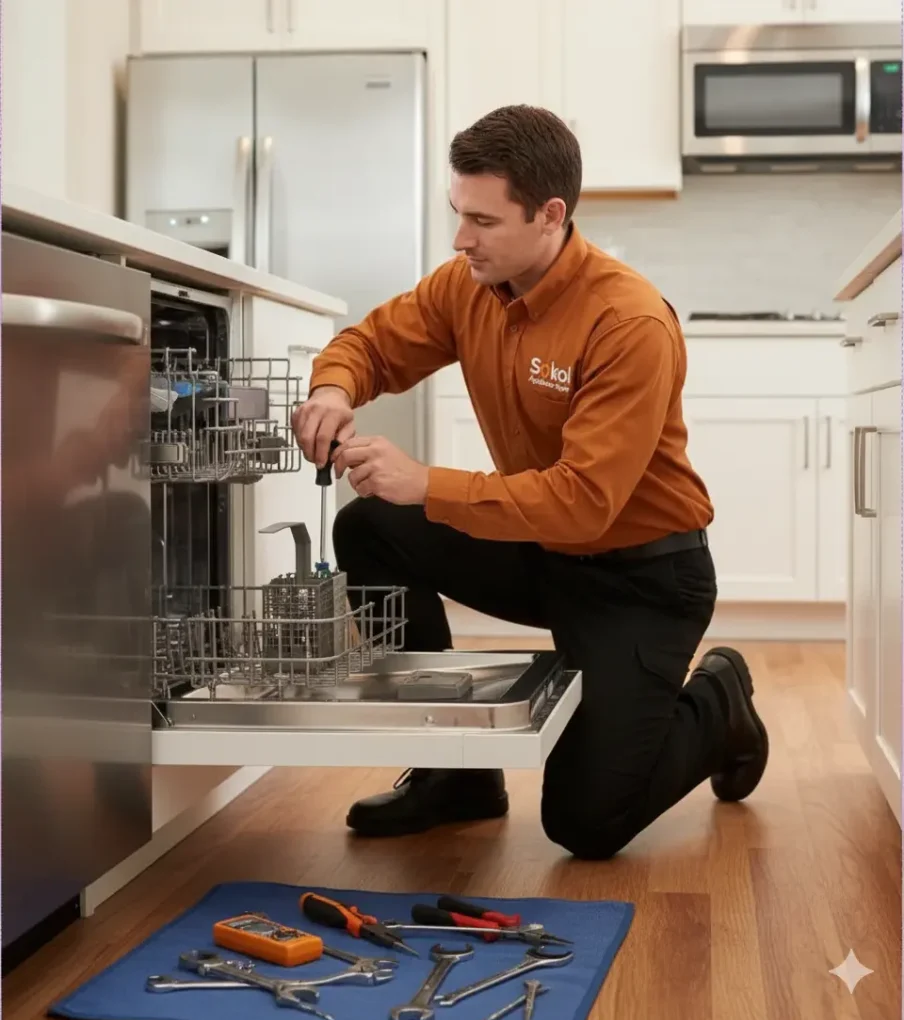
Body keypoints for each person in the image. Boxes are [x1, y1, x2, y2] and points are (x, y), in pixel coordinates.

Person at [291, 104, 769, 860]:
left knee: (586, 824)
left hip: (641, 578)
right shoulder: (468, 284)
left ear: (550, 216)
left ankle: (720, 699)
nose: (460, 239)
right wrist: (333, 389)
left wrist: (427, 483)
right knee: (370, 526)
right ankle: (460, 776)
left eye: (482, 220)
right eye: (458, 214)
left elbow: (582, 504)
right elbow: (371, 344)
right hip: (544, 555)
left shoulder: (627, 322)